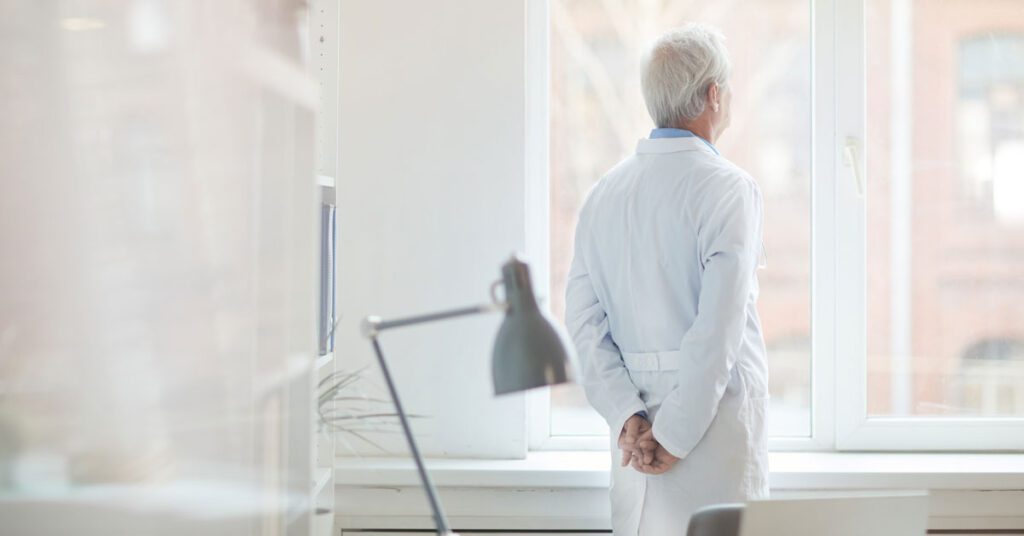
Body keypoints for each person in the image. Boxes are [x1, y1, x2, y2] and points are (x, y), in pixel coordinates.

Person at [564, 23, 769, 535]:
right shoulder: (728, 189)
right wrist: (672, 438)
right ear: (713, 96)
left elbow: (583, 324)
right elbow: (716, 334)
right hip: (708, 443)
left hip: (634, 451)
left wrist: (627, 417)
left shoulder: (604, 194)